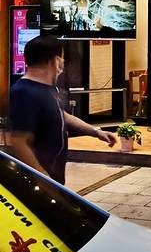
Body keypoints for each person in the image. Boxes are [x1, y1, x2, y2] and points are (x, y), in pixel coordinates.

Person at [9, 35, 117, 185]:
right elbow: (19, 142)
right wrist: (45, 181)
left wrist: (96, 132)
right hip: (38, 186)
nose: (63, 62)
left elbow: (61, 114)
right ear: (56, 61)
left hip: (53, 181)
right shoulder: (24, 92)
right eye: (62, 58)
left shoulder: (48, 88)